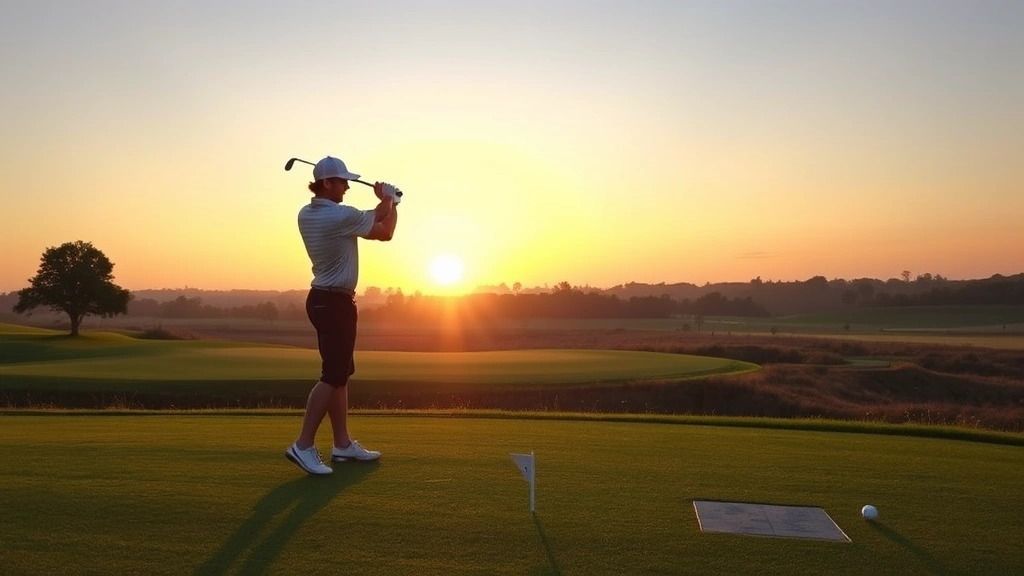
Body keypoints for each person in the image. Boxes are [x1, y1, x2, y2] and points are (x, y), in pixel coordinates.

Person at [285, 155, 400, 475]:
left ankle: (342, 444)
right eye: (342, 181)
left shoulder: (315, 214)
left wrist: (395, 204)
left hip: (330, 302)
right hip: (332, 303)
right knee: (332, 376)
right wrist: (387, 196)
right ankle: (303, 445)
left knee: (340, 375)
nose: (348, 186)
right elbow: (378, 214)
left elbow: (383, 232)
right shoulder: (334, 216)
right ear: (325, 184)